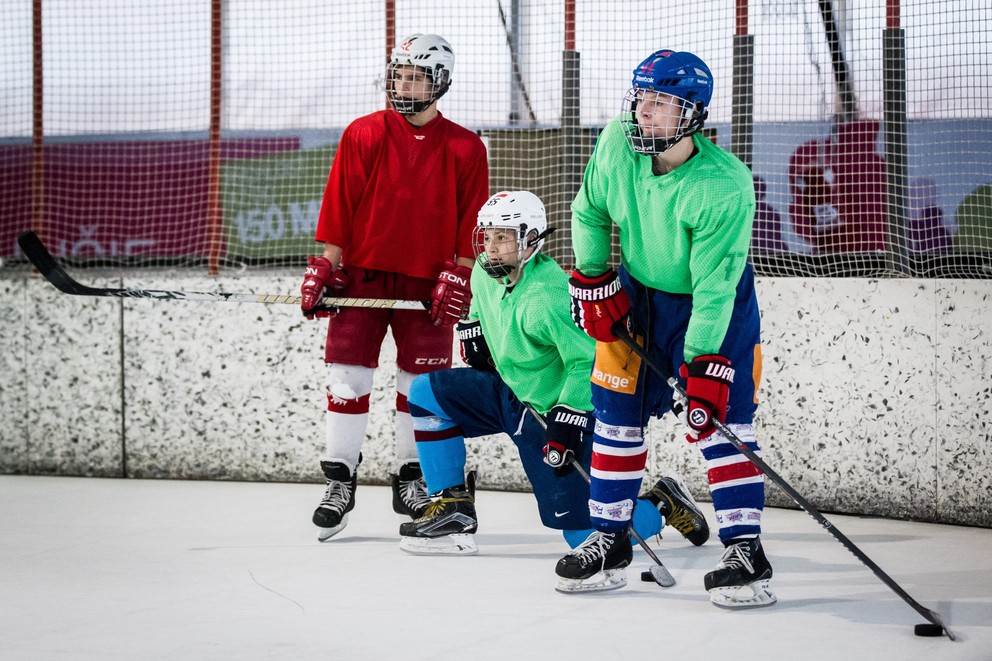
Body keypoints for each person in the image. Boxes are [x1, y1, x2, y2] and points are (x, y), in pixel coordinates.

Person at [399, 191, 709, 592]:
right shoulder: (482, 272)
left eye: (503, 237)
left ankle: (663, 503)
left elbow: (588, 360)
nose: (491, 247)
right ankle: (453, 507)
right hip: (509, 392)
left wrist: (569, 412)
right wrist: (472, 324)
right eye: (487, 236)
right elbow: (480, 303)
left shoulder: (549, 296)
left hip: (553, 411)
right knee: (426, 392)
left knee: (583, 537)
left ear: (530, 240)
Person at [565, 49, 775, 608]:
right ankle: (610, 538)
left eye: (662, 102)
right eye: (642, 100)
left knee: (718, 422)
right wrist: (594, 279)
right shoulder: (616, 143)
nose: (646, 112)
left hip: (713, 307)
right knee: (615, 418)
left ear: (693, 114)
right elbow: (589, 210)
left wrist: (703, 361)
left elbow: (714, 287)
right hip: (638, 293)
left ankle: (745, 550)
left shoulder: (724, 184)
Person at [299, 34, 490, 542]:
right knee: (346, 381)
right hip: (361, 277)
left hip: (428, 284)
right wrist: (325, 264)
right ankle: (339, 481)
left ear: (441, 83)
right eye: (399, 75)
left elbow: (472, 222)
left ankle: (412, 479)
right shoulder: (363, 133)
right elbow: (340, 205)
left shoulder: (466, 146)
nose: (403, 85)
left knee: (419, 388)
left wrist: (461, 272)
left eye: (416, 77)